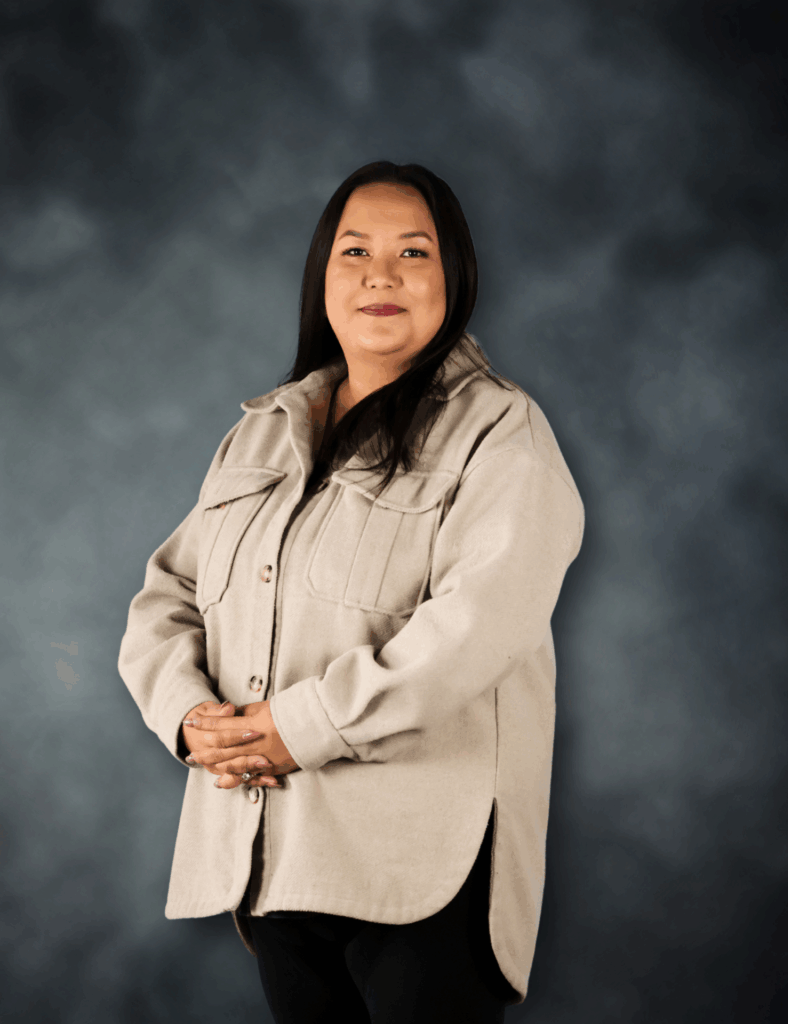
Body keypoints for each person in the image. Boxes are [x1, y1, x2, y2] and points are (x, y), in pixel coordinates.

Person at [118, 160, 585, 1023]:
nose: (380, 275)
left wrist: (299, 728)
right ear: (321, 276)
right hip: (275, 858)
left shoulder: (500, 432)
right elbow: (168, 594)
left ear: (454, 277)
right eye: (355, 251)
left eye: (413, 252)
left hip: (422, 868)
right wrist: (189, 717)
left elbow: (479, 627)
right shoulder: (260, 434)